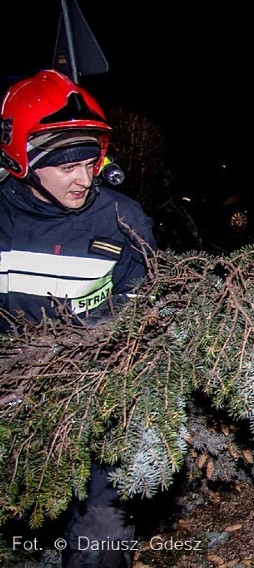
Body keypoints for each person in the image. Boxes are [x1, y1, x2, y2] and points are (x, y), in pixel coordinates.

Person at [0, 69, 156, 567]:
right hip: (14, 402)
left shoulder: (122, 219)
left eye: (91, 162)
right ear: (23, 162)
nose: (84, 178)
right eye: (66, 167)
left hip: (96, 400)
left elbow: (145, 306)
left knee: (102, 536)